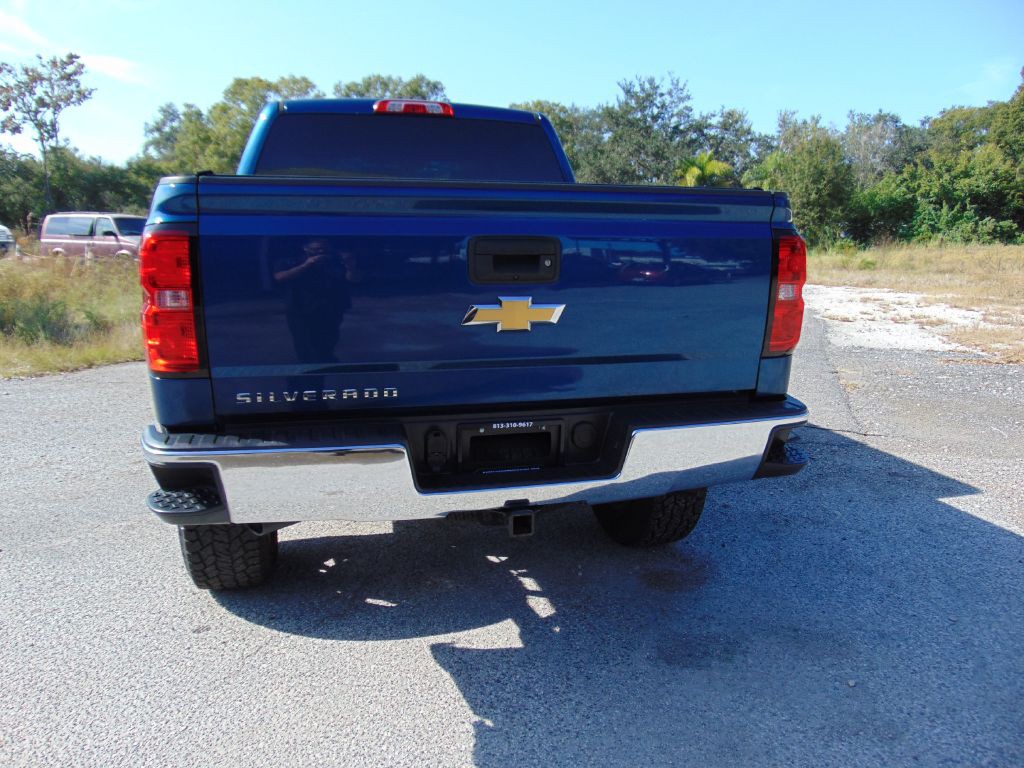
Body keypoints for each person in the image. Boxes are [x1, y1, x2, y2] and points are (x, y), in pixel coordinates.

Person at [273, 238, 353, 363]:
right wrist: (306, 265)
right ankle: (309, 372)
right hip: (301, 309)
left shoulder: (335, 261)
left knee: (330, 339)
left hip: (332, 308)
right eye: (316, 249)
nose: (321, 252)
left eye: (324, 249)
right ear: (305, 248)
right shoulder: (291, 260)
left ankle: (325, 360)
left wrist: (350, 265)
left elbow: (352, 279)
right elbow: (280, 276)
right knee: (305, 344)